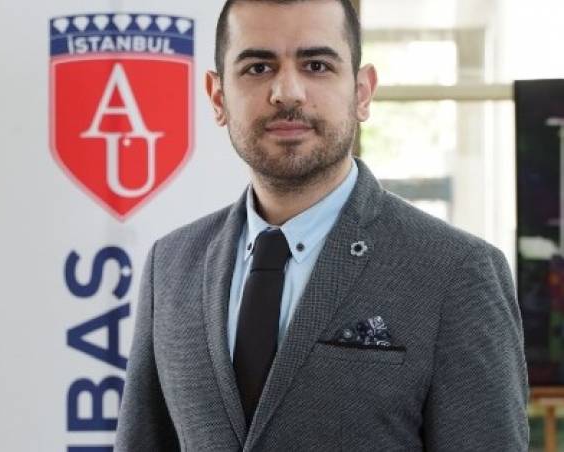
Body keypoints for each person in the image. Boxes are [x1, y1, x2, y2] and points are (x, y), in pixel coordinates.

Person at [115, 0, 529, 450]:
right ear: (218, 98)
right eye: (258, 68)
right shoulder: (171, 265)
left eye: (316, 65)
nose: (287, 93)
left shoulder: (456, 272)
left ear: (362, 92)